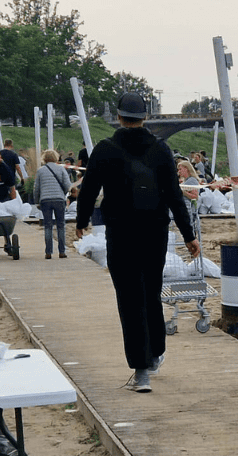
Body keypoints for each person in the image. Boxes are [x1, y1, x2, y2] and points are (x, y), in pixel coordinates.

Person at [75, 92, 200, 394]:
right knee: (151, 292)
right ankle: (155, 354)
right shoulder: (161, 150)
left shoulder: (105, 150)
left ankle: (141, 370)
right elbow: (174, 196)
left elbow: (88, 189)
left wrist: (81, 221)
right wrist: (189, 235)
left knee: (130, 299)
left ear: (118, 117)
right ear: (145, 118)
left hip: (121, 233)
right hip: (155, 233)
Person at [34, 149, 72, 259]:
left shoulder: (40, 171)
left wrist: (37, 201)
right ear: (56, 158)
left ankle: (48, 252)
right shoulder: (61, 169)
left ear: (44, 158)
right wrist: (63, 194)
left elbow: (36, 188)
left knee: (48, 226)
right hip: (59, 200)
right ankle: (62, 251)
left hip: (45, 200)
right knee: (61, 226)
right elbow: (67, 185)